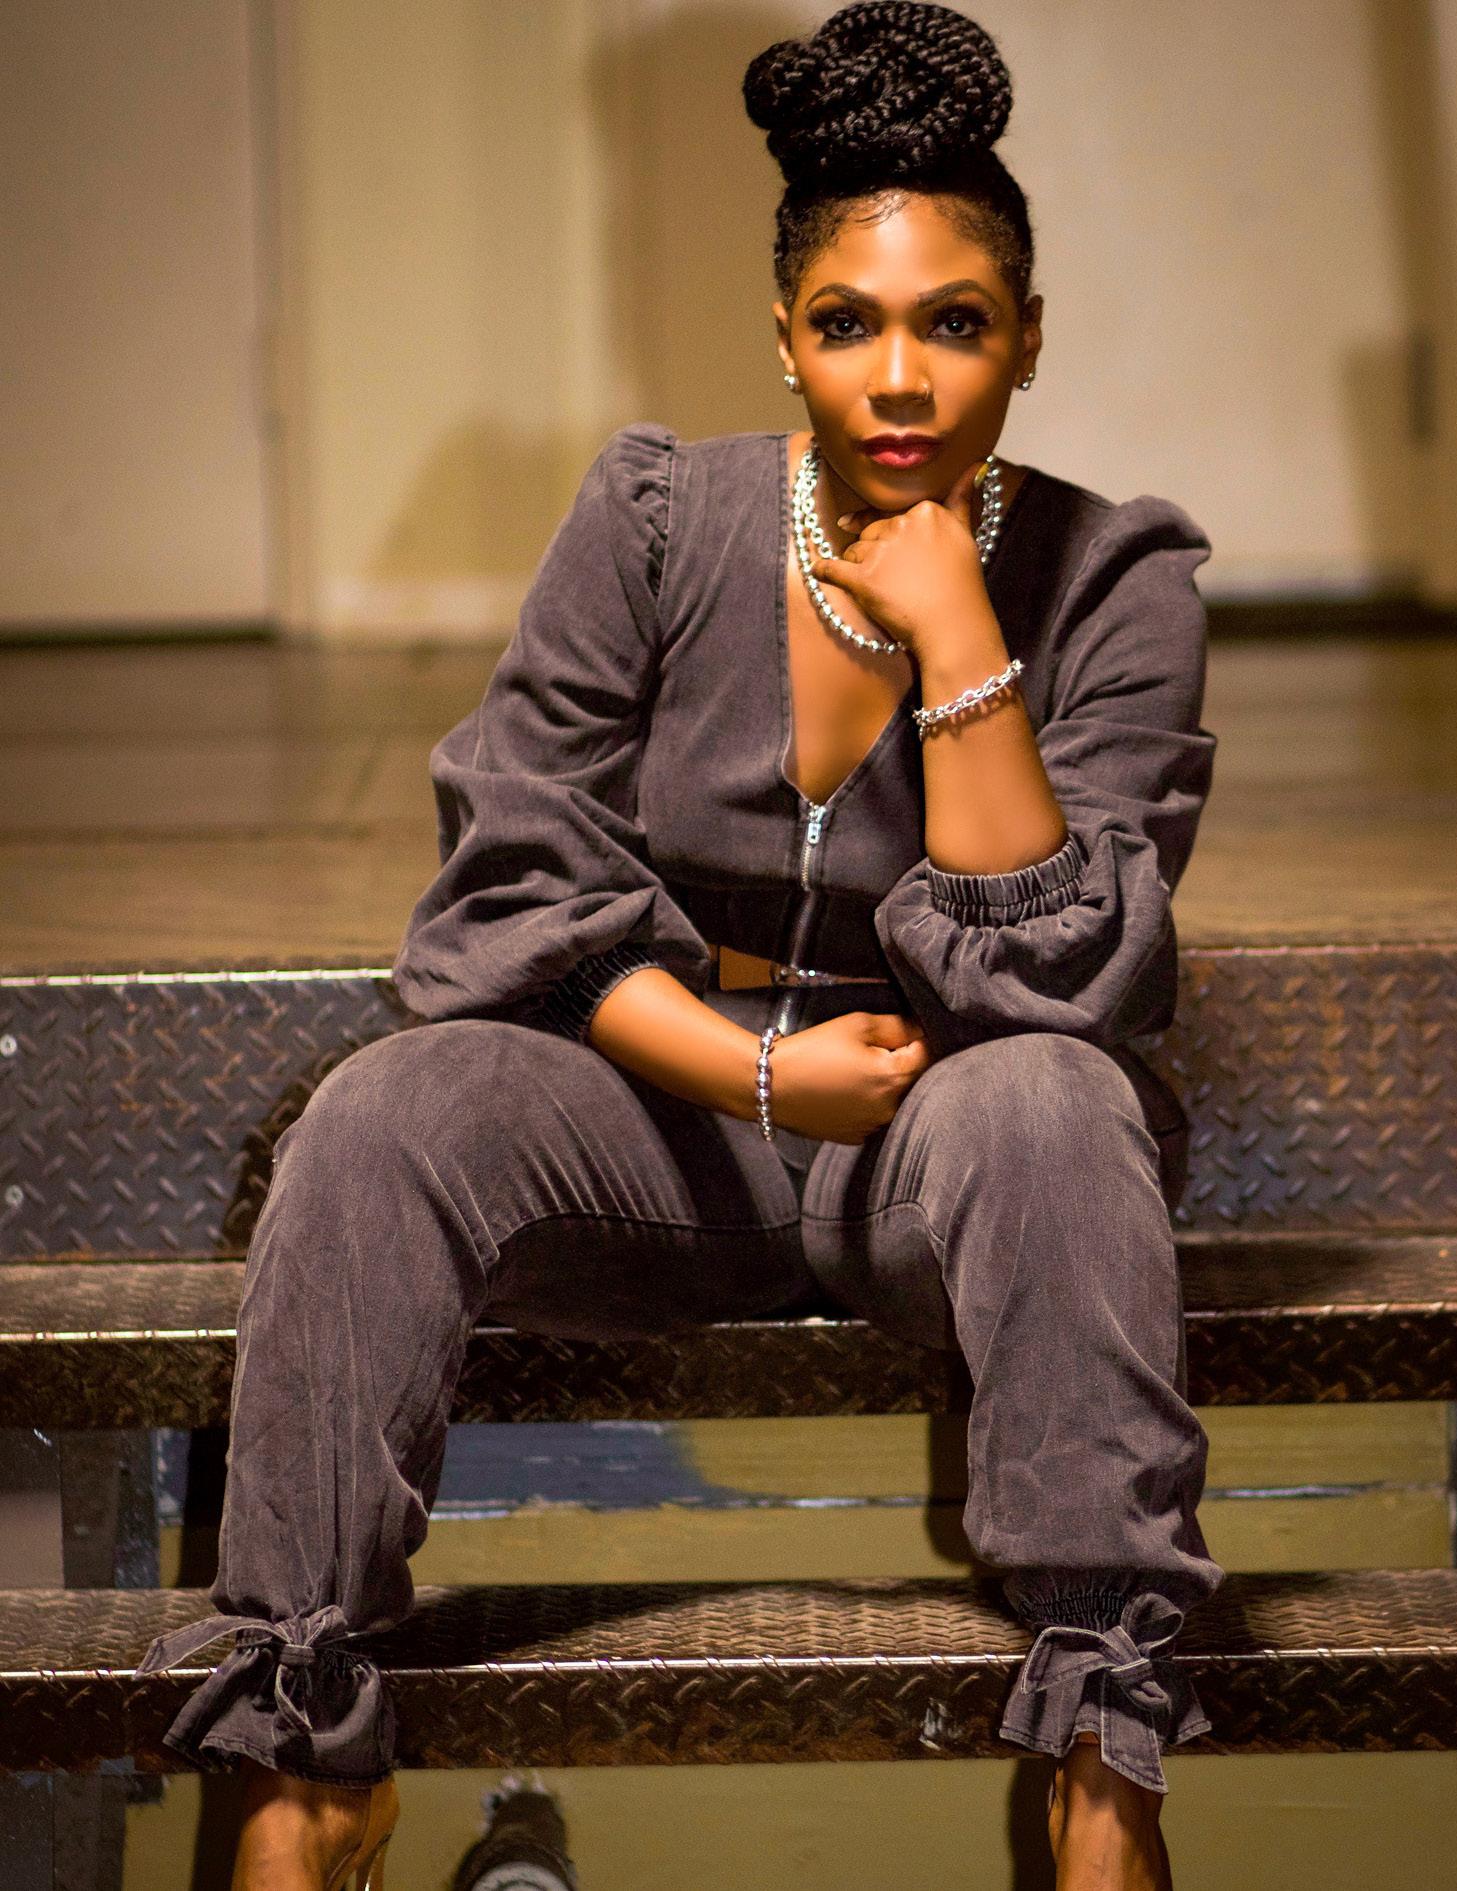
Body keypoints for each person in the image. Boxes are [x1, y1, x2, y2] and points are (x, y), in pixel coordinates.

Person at [135, 3, 1225, 1884]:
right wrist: (754, 1068)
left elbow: (1057, 976)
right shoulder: (656, 522)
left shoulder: (1114, 578)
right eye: (848, 323)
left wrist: (963, 637)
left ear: (1030, 336)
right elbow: (512, 877)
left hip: (947, 1146)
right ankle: (302, 1762)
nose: (901, 379)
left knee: (1058, 1099)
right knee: (381, 1117)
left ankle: (1101, 1776)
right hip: (656, 1111)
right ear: (783, 331)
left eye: (957, 323)